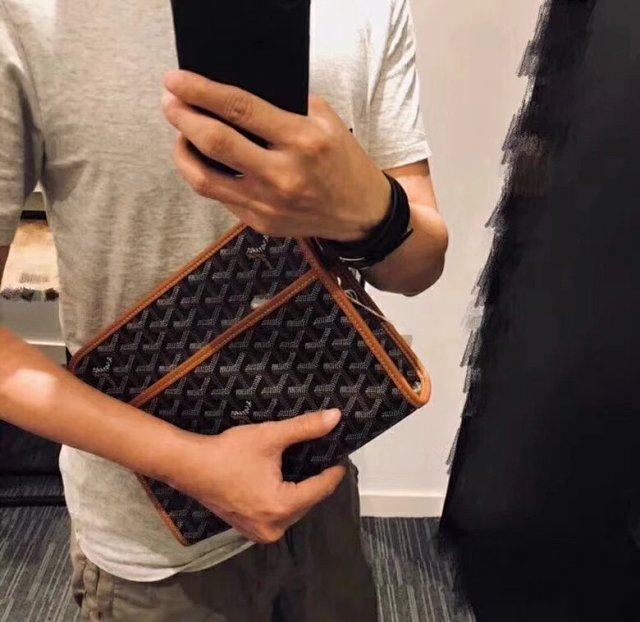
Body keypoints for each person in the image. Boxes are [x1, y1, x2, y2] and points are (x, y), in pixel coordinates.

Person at [0, 0, 448, 620]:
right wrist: (186, 463)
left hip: (322, 475)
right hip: (154, 543)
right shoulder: (26, 17)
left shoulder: (370, 8)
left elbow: (419, 268)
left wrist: (372, 211)